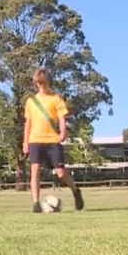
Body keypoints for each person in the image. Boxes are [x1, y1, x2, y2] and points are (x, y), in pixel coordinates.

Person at [23, 68, 84, 213]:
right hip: (35, 140)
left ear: (49, 82)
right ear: (36, 84)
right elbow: (28, 124)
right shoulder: (31, 102)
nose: (42, 87)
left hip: (52, 140)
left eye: (44, 84)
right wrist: (25, 142)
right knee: (35, 170)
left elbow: (62, 118)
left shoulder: (56, 98)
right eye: (39, 84)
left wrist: (62, 132)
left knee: (61, 172)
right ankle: (36, 203)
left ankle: (75, 191)